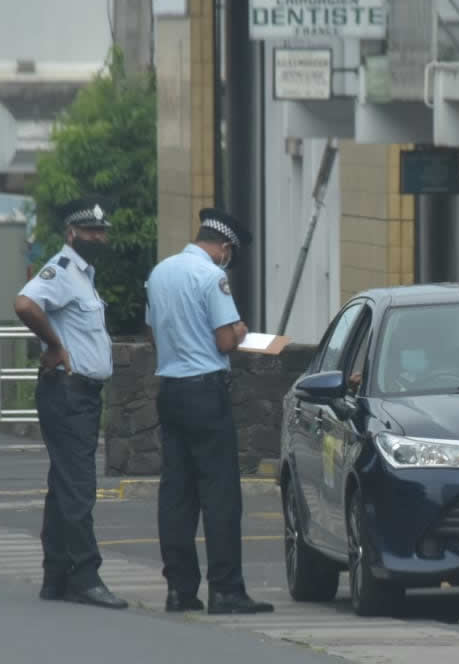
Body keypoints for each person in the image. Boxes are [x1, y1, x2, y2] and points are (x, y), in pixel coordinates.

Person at [145, 208, 274, 615]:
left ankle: (180, 590)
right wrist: (238, 331)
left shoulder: (160, 272)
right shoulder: (211, 277)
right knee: (220, 495)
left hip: (171, 389)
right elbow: (225, 341)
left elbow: (153, 329)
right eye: (230, 253)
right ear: (224, 247)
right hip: (205, 390)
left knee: (177, 494)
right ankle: (226, 590)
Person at [13, 198, 127, 610]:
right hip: (68, 391)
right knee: (78, 486)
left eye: (101, 231)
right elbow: (25, 303)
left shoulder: (84, 276)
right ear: (71, 234)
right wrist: (55, 345)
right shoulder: (61, 271)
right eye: (90, 231)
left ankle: (56, 575)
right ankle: (85, 576)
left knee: (64, 485)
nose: (98, 237)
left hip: (78, 392)